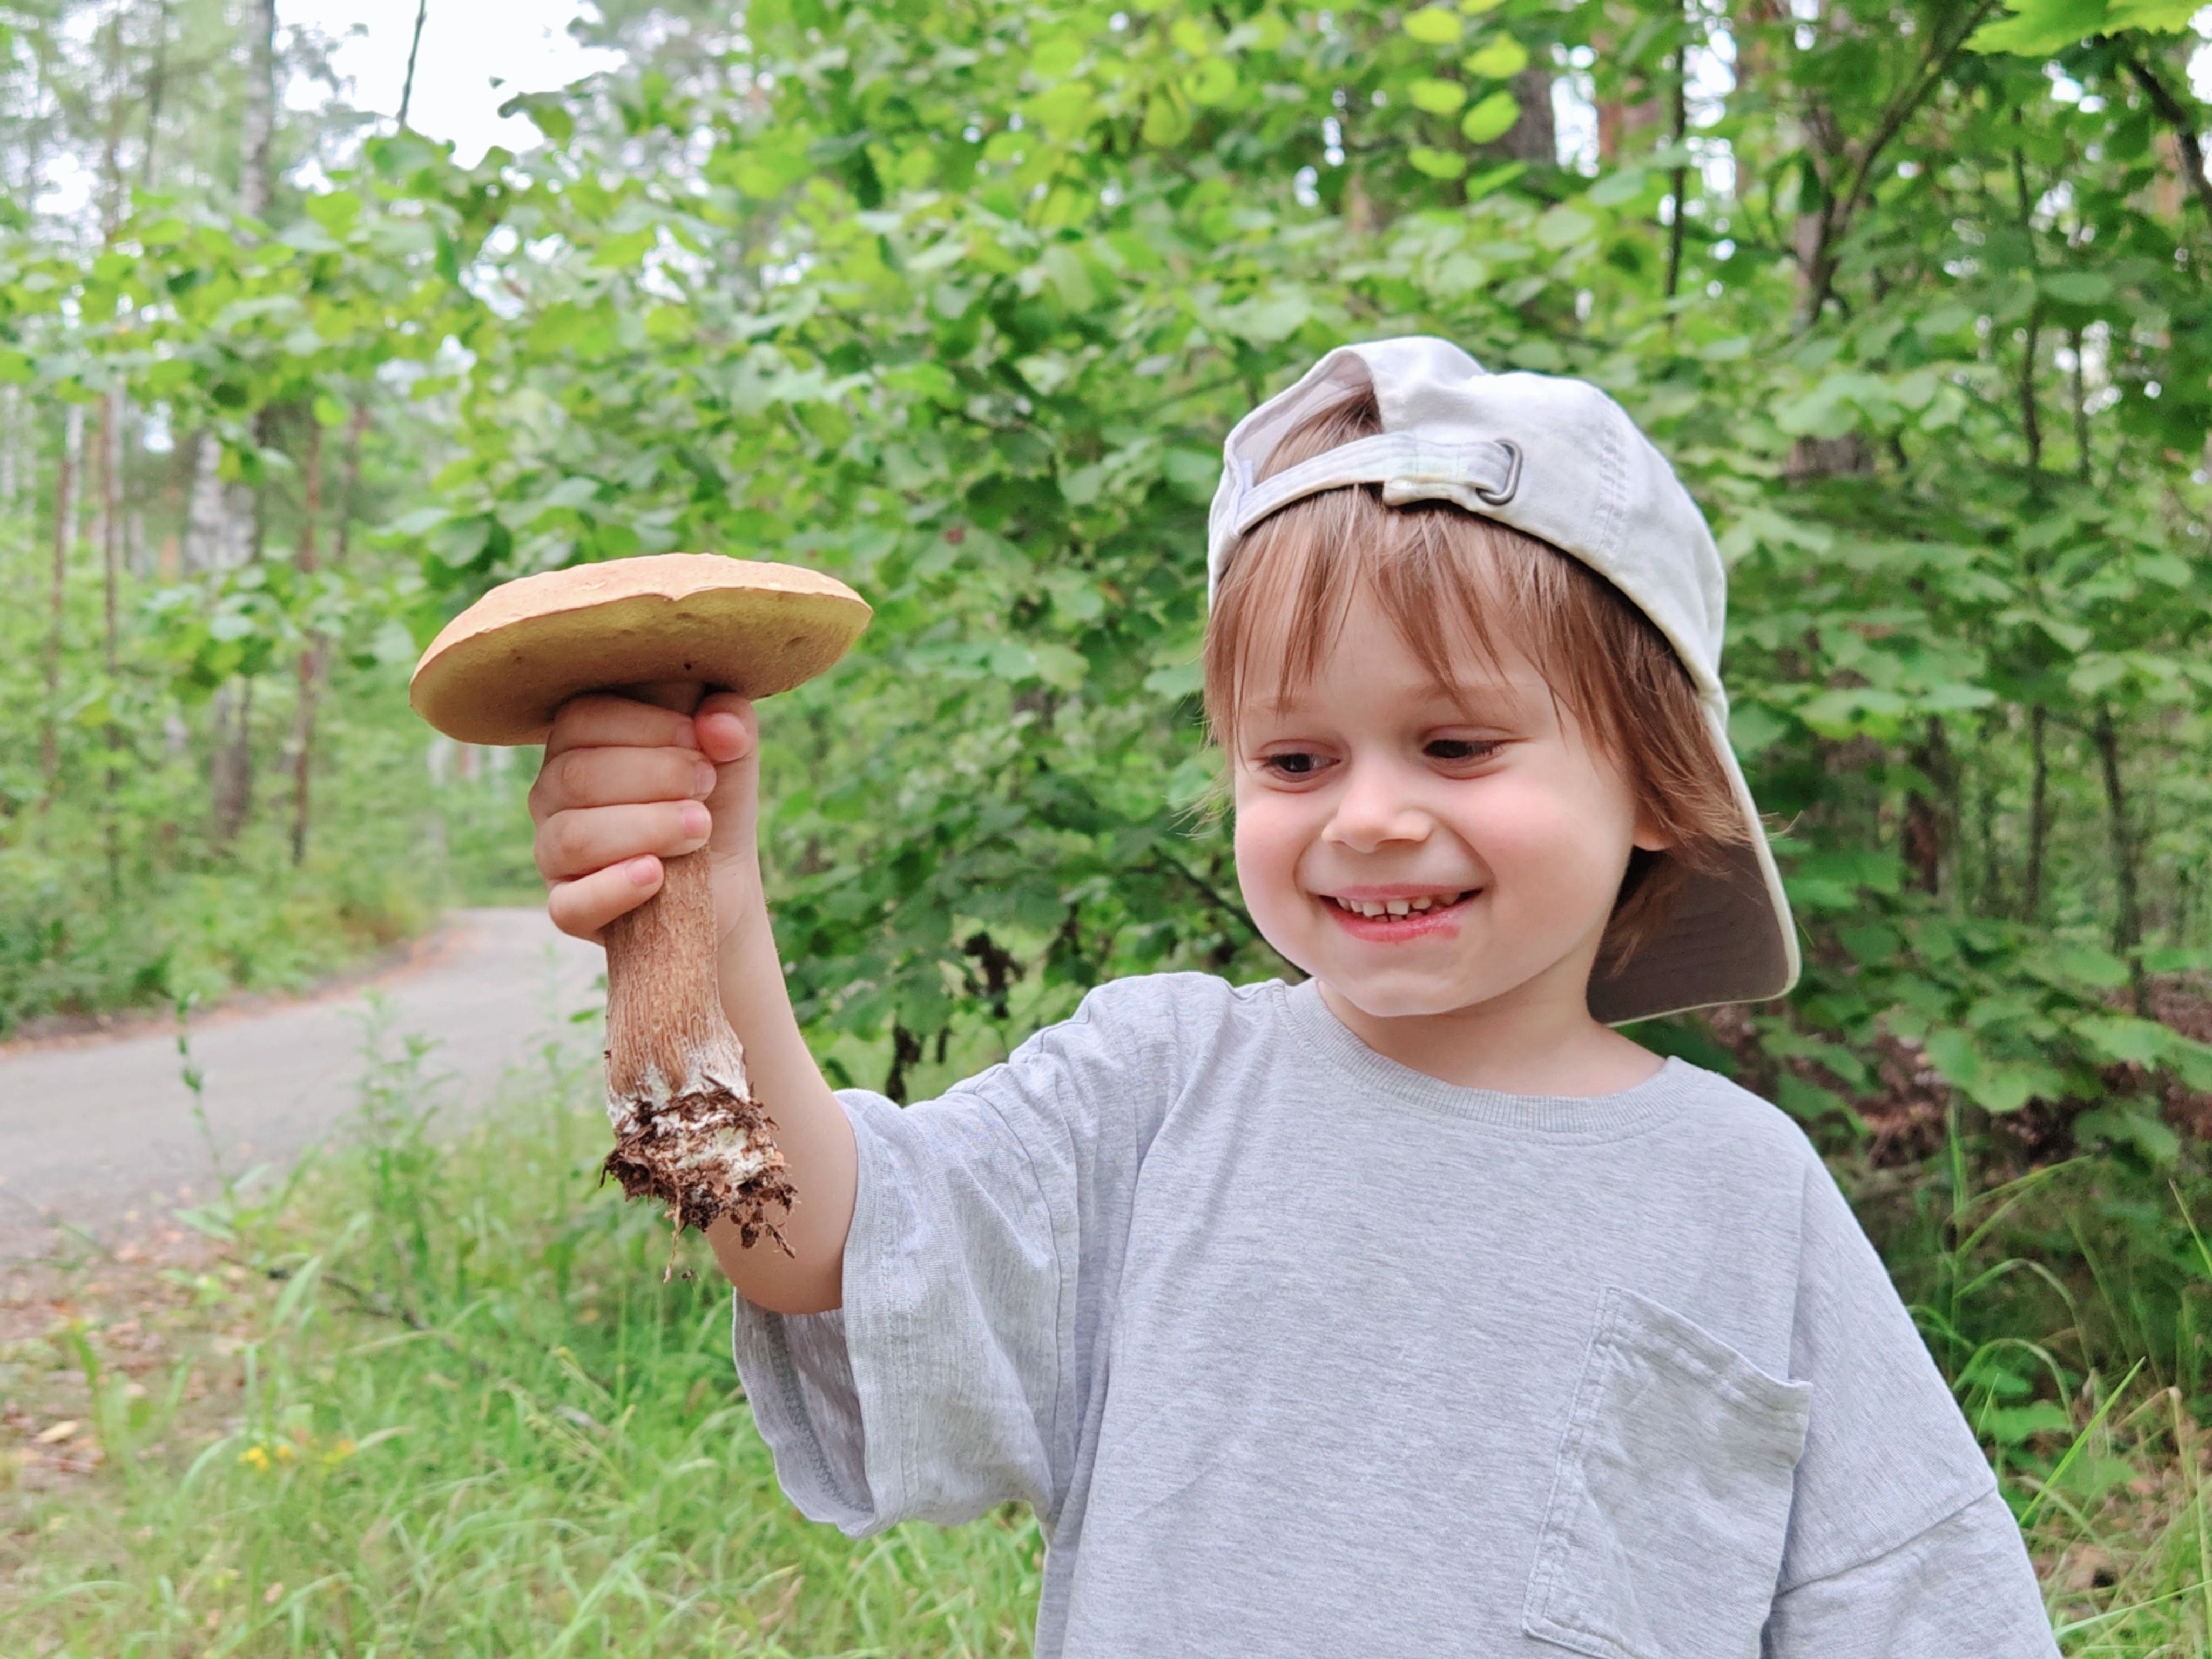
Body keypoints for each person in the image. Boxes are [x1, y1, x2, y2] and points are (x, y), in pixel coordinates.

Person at [527, 338, 2058, 1655]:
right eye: (1295, 759)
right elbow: (818, 1248)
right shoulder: (1161, 1089)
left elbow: (1914, 1596)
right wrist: (694, 921)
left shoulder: (1743, 1195)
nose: (1370, 815)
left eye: (1457, 746)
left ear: (1659, 780)